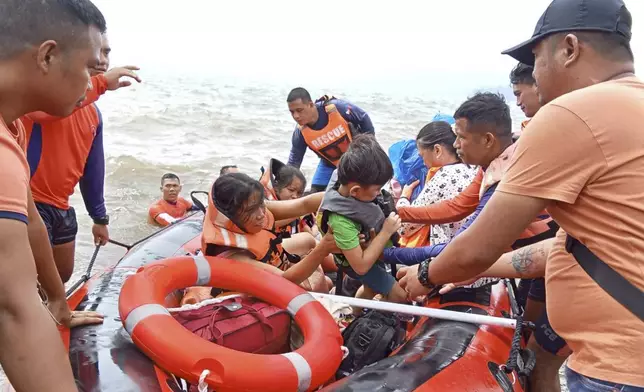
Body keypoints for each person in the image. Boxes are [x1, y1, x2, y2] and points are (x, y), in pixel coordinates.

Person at [398, 0, 644, 390]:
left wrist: (425, 274)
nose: (536, 76)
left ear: (569, 48)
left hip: (619, 368)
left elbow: (478, 245)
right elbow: (567, 248)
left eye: (537, 58)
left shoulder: (572, 114)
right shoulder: (632, 107)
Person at [0, 0, 109, 390]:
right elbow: (12, 310)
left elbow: (29, 220)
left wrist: (59, 303)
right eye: (89, 68)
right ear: (47, 55)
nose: (91, 82)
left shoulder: (13, 128)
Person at [382, 93, 557, 268]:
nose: (456, 144)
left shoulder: (506, 179)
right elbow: (457, 206)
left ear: (488, 140)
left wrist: (385, 254)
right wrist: (397, 212)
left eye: (461, 137)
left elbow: (465, 246)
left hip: (544, 254)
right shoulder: (493, 164)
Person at [23, 33, 141, 283]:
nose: (102, 59)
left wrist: (99, 218)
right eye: (96, 51)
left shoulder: (93, 113)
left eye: (107, 52)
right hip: (29, 202)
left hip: (62, 207)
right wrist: (98, 85)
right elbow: (42, 115)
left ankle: (53, 317)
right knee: (33, 280)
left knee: (62, 276)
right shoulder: (44, 96)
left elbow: (93, 169)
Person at [318, 134, 407, 308]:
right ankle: (372, 324)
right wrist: (387, 231)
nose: (379, 194)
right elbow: (361, 267)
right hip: (357, 262)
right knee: (399, 296)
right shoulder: (341, 221)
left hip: (369, 247)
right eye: (377, 190)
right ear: (356, 191)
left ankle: (355, 314)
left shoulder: (346, 180)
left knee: (370, 290)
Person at [201, 172, 335, 287]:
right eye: (251, 211)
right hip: (269, 287)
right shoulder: (233, 256)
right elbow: (286, 281)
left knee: (307, 239)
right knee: (325, 282)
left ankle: (336, 266)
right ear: (229, 218)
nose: (261, 214)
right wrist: (323, 249)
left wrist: (340, 197)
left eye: (261, 204)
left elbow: (303, 205)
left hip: (272, 262)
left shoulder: (251, 208)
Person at [396, 121, 478, 247]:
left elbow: (404, 227)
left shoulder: (443, 177)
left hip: (447, 254)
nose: (423, 163)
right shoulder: (475, 168)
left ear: (437, 150)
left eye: (422, 156)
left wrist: (403, 197)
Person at [286, 87, 375, 192]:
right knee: (315, 194)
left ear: (310, 104)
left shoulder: (337, 107)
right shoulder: (300, 132)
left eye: (300, 110)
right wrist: (285, 182)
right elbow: (295, 160)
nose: (296, 116)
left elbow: (363, 118)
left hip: (357, 159)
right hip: (329, 164)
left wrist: (369, 151)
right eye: (292, 112)